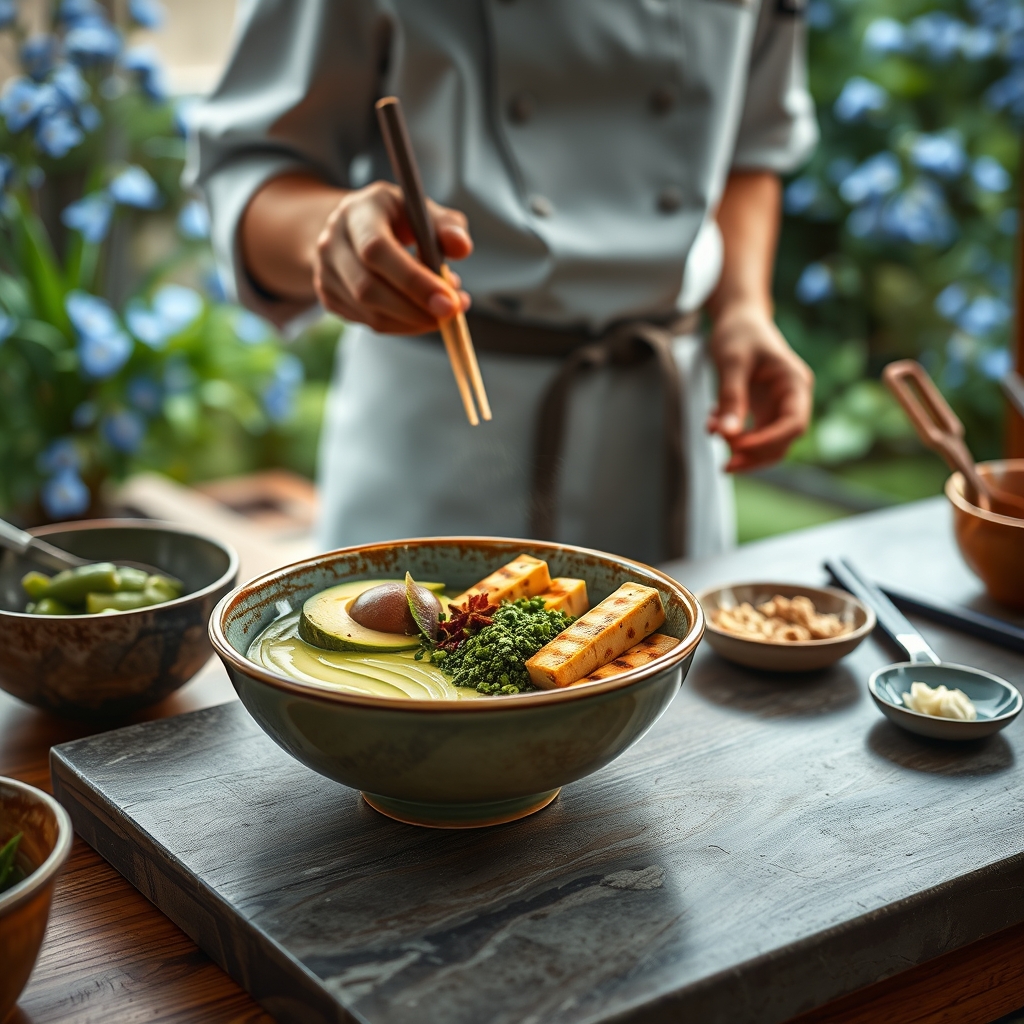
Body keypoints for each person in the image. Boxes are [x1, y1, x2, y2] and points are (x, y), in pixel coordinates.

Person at [189, 0, 817, 565]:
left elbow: (751, 146)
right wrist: (335, 239)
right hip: (443, 430)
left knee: (670, 677)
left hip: (663, 426)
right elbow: (252, 167)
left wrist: (742, 307)